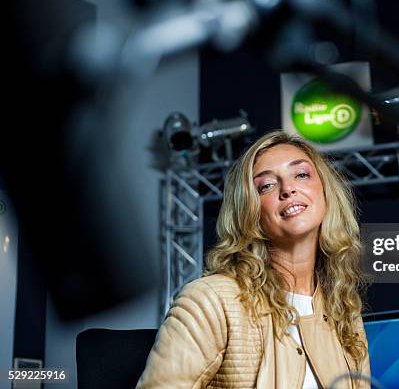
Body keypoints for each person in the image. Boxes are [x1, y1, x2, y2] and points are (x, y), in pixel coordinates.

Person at [136, 130, 370, 388]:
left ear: (325, 191)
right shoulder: (210, 300)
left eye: (301, 174)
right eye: (266, 186)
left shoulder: (343, 312)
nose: (288, 189)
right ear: (249, 212)